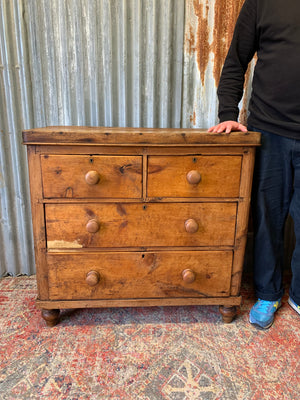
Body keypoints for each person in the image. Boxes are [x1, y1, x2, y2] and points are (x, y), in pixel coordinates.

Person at [209, 0, 300, 329]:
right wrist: (228, 116)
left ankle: (299, 296)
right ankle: (268, 293)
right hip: (268, 131)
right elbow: (235, 61)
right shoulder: (261, 2)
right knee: (266, 220)